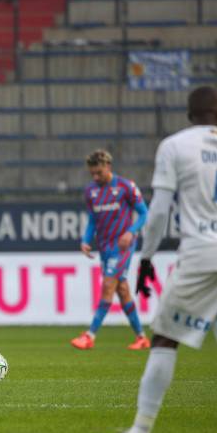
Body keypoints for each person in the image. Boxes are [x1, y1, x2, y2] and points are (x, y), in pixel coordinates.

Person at [95, 86, 217, 433]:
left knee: (164, 340)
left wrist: (145, 259)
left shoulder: (175, 146)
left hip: (200, 256)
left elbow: (158, 212)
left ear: (190, 115)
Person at [70, 149, 150, 351]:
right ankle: (141, 337)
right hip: (105, 246)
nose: (95, 177)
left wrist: (131, 232)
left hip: (122, 245)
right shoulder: (91, 191)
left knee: (108, 285)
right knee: (122, 290)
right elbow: (92, 221)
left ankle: (90, 335)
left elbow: (143, 213)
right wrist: (86, 240)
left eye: (99, 173)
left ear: (108, 167)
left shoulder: (126, 186)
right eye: (92, 174)